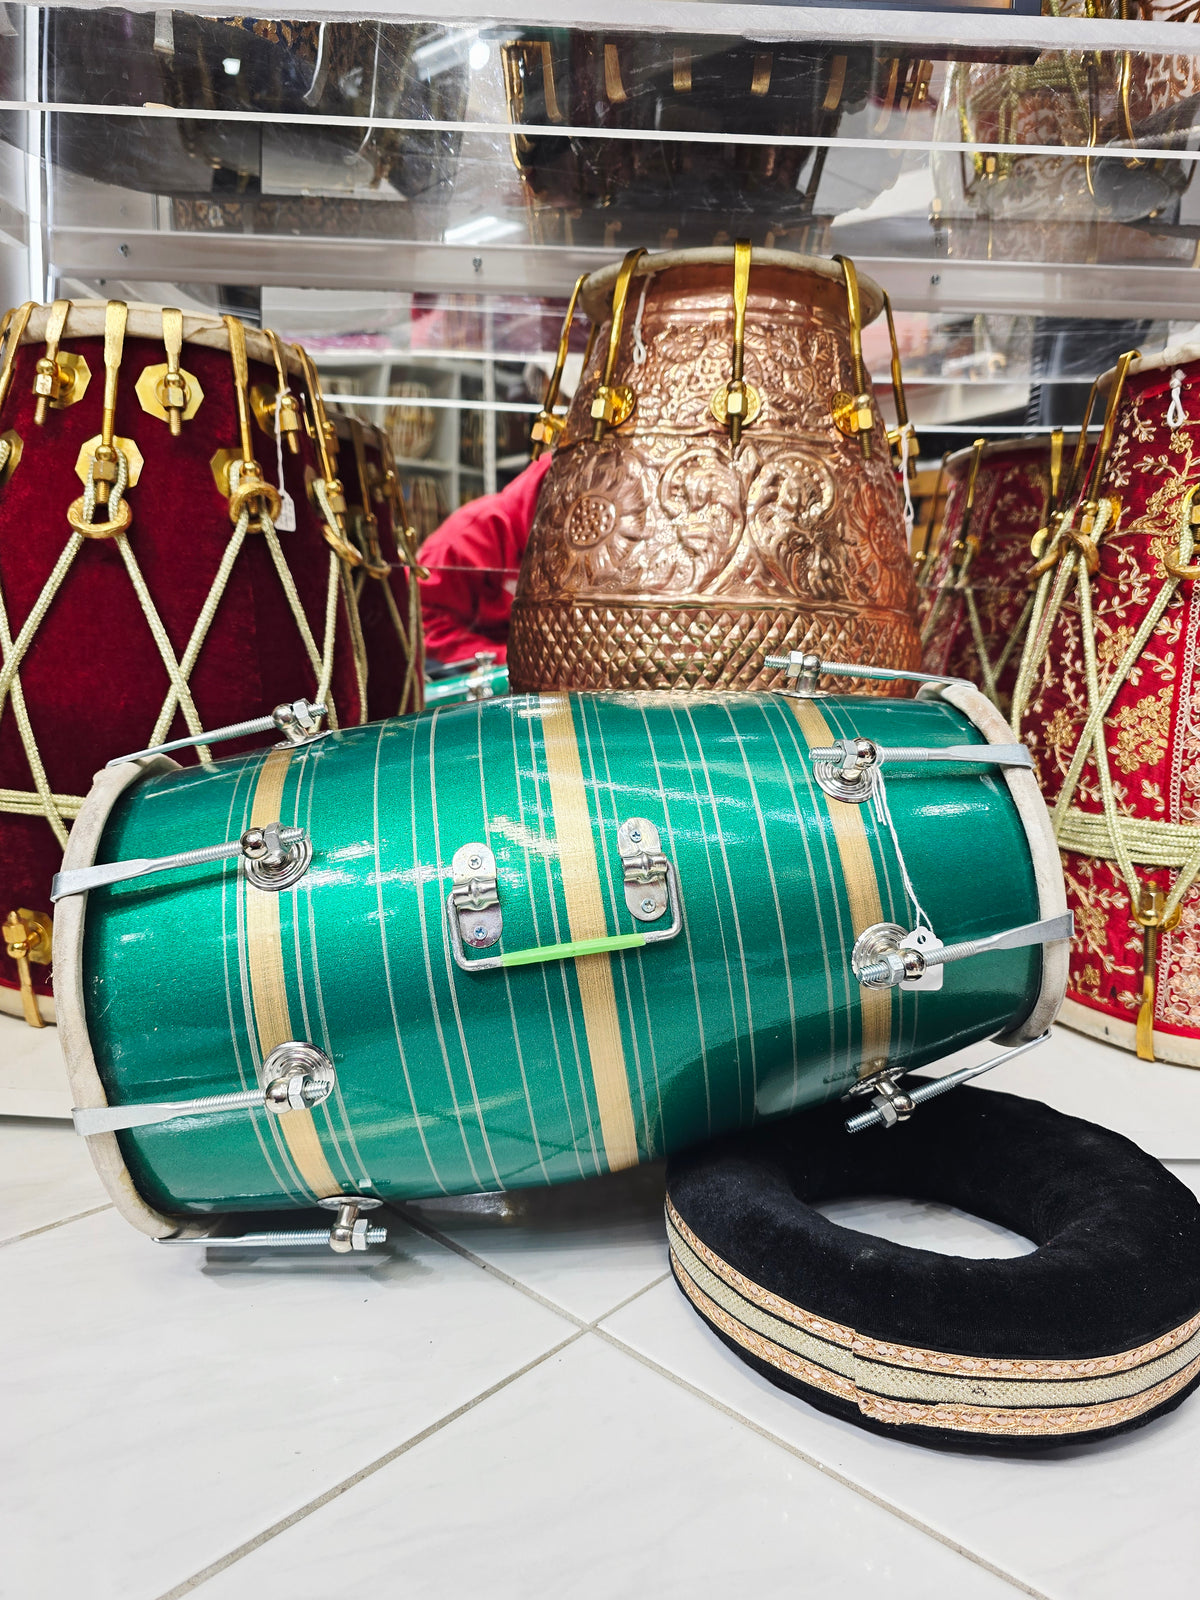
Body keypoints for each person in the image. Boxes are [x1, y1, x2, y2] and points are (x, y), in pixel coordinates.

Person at [418, 453, 552, 668]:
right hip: (459, 672)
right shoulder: (467, 537)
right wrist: (510, 659)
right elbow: (425, 627)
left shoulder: (565, 543)